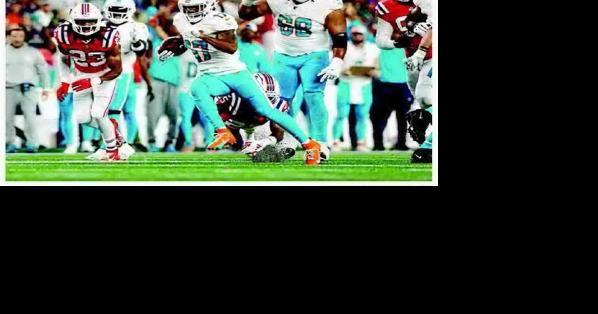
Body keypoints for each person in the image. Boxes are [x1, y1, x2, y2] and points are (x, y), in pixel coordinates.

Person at [158, 0, 323, 165]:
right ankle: (222, 131)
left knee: (266, 109)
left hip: (234, 72)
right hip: (209, 74)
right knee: (196, 88)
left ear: (207, 5)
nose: (191, 12)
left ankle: (310, 145)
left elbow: (231, 47)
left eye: (195, 7)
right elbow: (187, 41)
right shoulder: (180, 19)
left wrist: (203, 36)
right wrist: (173, 45)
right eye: (187, 8)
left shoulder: (219, 19)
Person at [238, 0, 348, 161]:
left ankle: (320, 142)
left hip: (315, 55)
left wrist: (338, 60)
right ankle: (286, 141)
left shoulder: (327, 5)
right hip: (283, 55)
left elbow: (339, 36)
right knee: (281, 101)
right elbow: (246, 14)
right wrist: (247, 1)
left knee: (314, 96)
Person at [53, 2, 124, 161]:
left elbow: (117, 70)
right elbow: (64, 58)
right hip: (81, 74)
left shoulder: (108, 35)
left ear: (98, 20)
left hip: (104, 75)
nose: (86, 25)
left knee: (98, 113)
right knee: (82, 118)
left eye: (91, 21)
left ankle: (112, 151)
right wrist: (64, 81)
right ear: (72, 21)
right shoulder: (63, 34)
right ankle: (112, 129)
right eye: (81, 21)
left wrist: (94, 81)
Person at [86, 0, 151, 160]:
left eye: (120, 9)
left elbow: (141, 51)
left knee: (111, 110)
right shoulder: (99, 25)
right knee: (98, 111)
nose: (117, 13)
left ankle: (108, 147)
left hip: (121, 72)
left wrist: (137, 43)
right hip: (99, 72)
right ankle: (119, 145)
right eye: (114, 9)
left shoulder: (137, 27)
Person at [331, 24, 379, 152]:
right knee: (341, 114)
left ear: (364, 35)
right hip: (346, 83)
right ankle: (335, 141)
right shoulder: (344, 47)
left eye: (360, 34)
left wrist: (373, 72)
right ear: (351, 35)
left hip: (364, 84)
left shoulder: (372, 48)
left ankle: (360, 142)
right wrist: (342, 71)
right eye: (355, 34)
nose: (357, 36)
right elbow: (334, 64)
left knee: (362, 115)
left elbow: (377, 69)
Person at [6, 24, 51, 153]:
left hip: (28, 89)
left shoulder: (33, 52)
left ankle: (32, 144)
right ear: (8, 37)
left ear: (24, 37)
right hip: (7, 88)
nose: (17, 39)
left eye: (20, 36)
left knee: (30, 118)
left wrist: (46, 87)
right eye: (14, 36)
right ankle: (9, 143)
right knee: (6, 119)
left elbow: (43, 71)